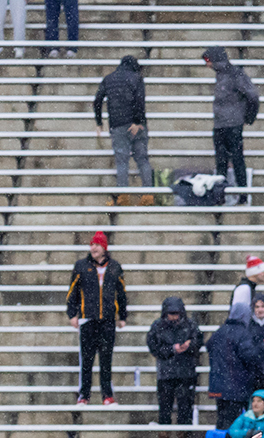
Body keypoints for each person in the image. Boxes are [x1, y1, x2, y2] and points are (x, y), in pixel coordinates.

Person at [66, 231, 129, 405]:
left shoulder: (115, 267)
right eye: (91, 244)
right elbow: (72, 292)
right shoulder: (81, 266)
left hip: (108, 320)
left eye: (97, 244)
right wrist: (72, 314)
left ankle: (107, 395)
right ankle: (84, 395)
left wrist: (122, 315)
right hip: (88, 320)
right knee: (86, 360)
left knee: (106, 360)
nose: (93, 247)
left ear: (104, 248)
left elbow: (121, 293)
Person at [94, 57, 153, 205]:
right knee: (142, 160)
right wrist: (137, 122)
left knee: (122, 162)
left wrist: (99, 122)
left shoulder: (109, 79)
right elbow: (140, 101)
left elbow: (97, 100)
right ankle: (148, 195)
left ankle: (123, 196)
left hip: (118, 126)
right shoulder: (137, 78)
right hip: (137, 126)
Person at [205, 297, 264, 427]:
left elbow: (209, 346)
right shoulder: (242, 333)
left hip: (218, 385)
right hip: (235, 386)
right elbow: (250, 356)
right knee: (233, 421)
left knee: (222, 420)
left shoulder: (220, 331)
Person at [201, 46, 259, 192]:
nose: (207, 65)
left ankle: (242, 194)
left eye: (208, 61)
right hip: (221, 124)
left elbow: (252, 96)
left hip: (232, 125)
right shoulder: (223, 74)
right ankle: (221, 195)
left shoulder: (234, 74)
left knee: (235, 160)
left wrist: (248, 117)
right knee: (223, 162)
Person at [146, 296, 203, 438]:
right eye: (171, 313)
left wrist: (189, 346)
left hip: (185, 372)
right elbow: (153, 347)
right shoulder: (158, 326)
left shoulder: (190, 325)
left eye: (176, 313)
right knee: (165, 406)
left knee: (185, 406)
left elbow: (199, 342)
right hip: (166, 373)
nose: (174, 317)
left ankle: (183, 435)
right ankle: (164, 434)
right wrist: (172, 349)